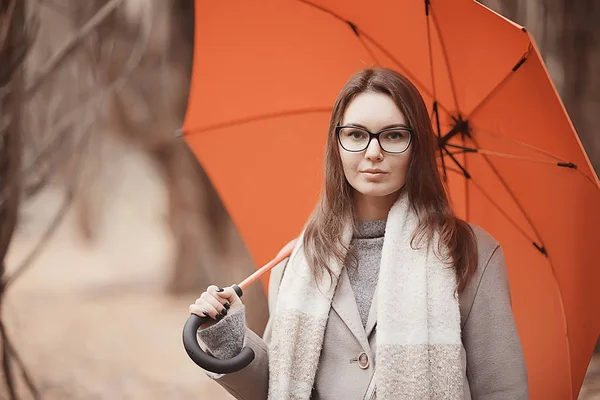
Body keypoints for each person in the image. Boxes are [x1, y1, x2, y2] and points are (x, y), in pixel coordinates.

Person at [189, 68, 529, 400]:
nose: (373, 152)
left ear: (417, 146)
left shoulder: (469, 253)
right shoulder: (298, 259)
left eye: (394, 135)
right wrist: (229, 338)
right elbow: (279, 384)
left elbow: (501, 389)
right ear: (336, 143)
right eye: (356, 134)